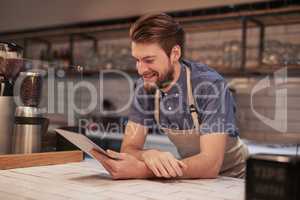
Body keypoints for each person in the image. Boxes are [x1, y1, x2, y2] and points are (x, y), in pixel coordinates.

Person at [91, 13, 249, 179]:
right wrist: (148, 154)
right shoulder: (145, 88)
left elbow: (210, 165)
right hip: (191, 176)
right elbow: (129, 148)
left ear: (174, 54)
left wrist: (144, 171)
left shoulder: (210, 86)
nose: (141, 70)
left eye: (149, 60)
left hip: (236, 179)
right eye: (137, 60)